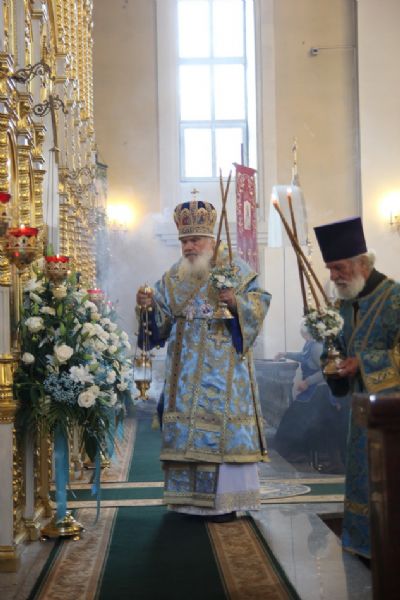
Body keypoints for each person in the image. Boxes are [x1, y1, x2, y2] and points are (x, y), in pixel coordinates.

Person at [136, 200, 271, 522]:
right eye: (184, 241)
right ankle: (187, 502)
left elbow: (260, 302)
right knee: (186, 435)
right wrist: (146, 307)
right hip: (184, 376)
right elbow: (158, 326)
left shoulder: (235, 269)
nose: (189, 247)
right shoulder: (173, 277)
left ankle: (225, 502)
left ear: (211, 240)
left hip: (225, 373)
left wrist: (235, 302)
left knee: (221, 438)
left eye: (195, 240)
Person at [314, 216, 400, 559]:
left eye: (339, 268)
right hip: (362, 414)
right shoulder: (342, 305)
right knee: (363, 480)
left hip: (394, 414)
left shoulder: (395, 297)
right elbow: (332, 350)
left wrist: (362, 363)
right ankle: (363, 546)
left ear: (362, 263)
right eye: (330, 269)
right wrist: (333, 368)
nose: (334, 276)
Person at [273, 324, 345, 472]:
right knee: (294, 418)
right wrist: (285, 354)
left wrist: (307, 382)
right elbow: (303, 356)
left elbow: (326, 370)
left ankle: (297, 452)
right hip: (312, 393)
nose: (303, 336)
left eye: (304, 334)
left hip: (319, 393)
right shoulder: (310, 344)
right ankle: (294, 453)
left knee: (298, 420)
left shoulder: (317, 347)